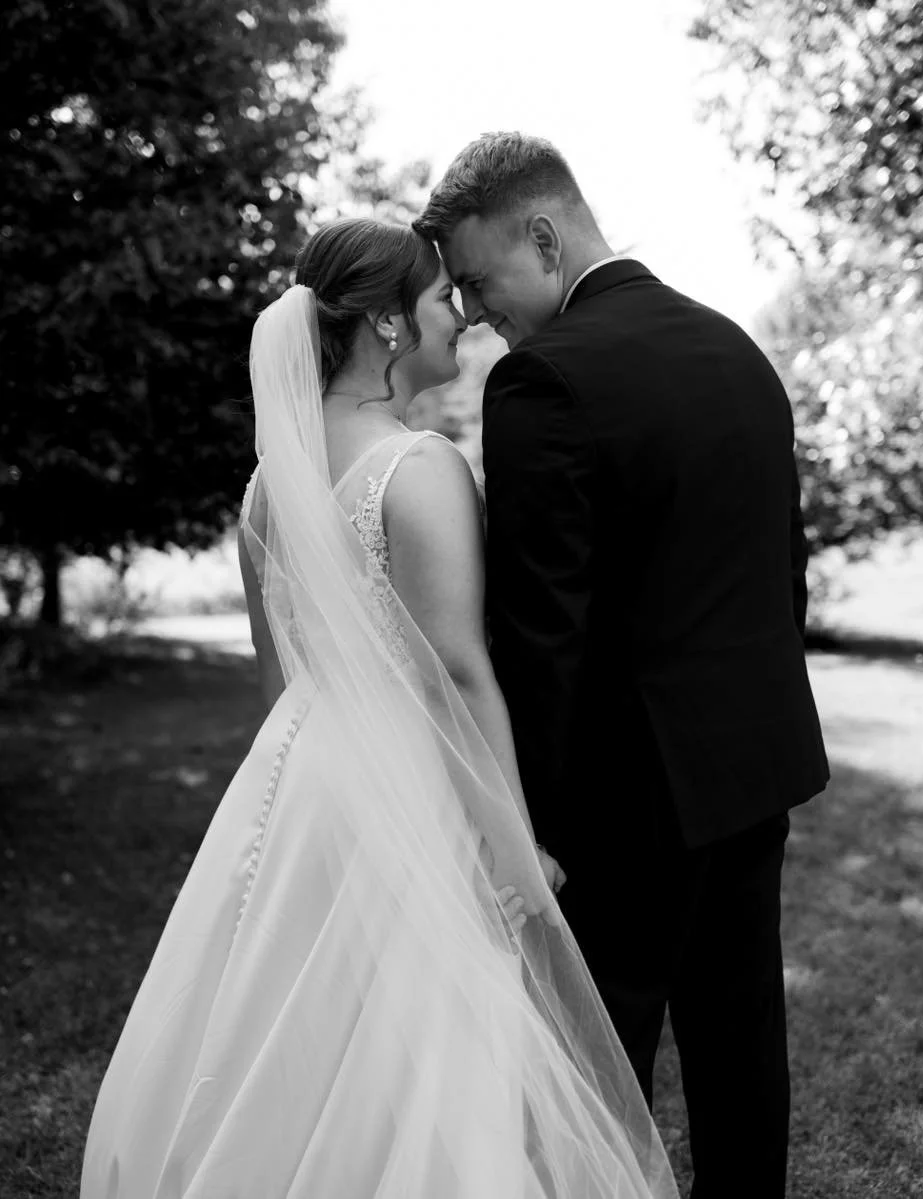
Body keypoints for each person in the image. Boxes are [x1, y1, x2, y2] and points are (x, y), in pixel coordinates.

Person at [79, 218, 678, 1199]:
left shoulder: (265, 489)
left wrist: (280, 813)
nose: (462, 318)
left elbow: (279, 682)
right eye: (443, 300)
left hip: (300, 775)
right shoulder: (419, 466)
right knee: (420, 1031)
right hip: (408, 772)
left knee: (287, 1016)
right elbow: (458, 666)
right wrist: (510, 839)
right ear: (389, 326)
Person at [413, 132, 830, 1199]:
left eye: (476, 279)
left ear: (542, 236)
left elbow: (541, 637)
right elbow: (779, 574)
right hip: (755, 762)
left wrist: (530, 824)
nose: (473, 313)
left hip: (624, 804)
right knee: (742, 1042)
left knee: (600, 1074)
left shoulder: (543, 379)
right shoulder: (733, 346)